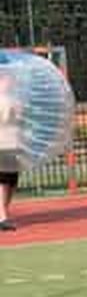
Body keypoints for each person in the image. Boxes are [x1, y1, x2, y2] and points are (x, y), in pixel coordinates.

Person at [0, 71, 22, 232]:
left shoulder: (14, 100)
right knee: (2, 181)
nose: (8, 82)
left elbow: (20, 121)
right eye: (5, 80)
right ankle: (1, 217)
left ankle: (3, 213)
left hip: (13, 144)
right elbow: (5, 119)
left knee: (12, 182)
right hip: (1, 145)